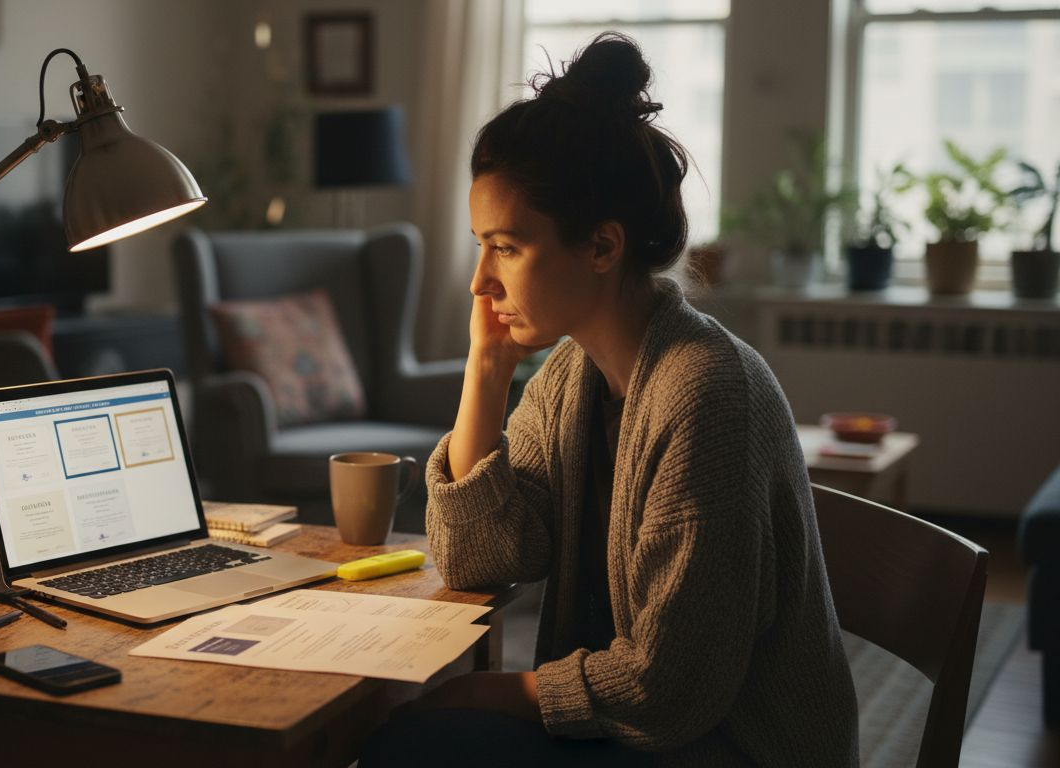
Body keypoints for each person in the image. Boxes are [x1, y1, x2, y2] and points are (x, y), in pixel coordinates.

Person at [359, 32, 858, 767]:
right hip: (652, 734)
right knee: (409, 737)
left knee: (412, 743)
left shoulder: (708, 396)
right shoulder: (572, 375)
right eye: (479, 244)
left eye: (507, 247)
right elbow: (478, 555)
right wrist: (486, 366)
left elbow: (667, 689)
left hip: (734, 749)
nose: (479, 282)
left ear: (601, 246)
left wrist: (495, 692)